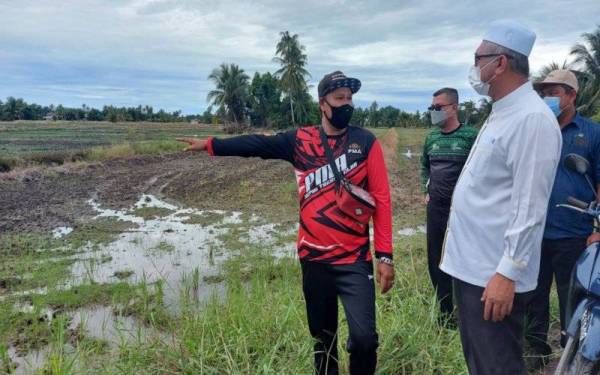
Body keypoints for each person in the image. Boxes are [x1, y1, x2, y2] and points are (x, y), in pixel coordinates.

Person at [176, 71, 394, 375]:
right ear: (323, 104)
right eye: (339, 99)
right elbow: (256, 145)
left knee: (365, 339)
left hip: (354, 260)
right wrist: (212, 144)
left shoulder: (365, 142)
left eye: (349, 99)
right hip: (313, 259)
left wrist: (385, 255)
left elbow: (381, 199)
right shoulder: (300, 140)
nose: (346, 104)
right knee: (323, 341)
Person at [439, 20, 562, 374]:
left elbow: (531, 206)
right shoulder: (503, 113)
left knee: (497, 366)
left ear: (501, 63)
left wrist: (507, 274)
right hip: (472, 268)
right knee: (481, 364)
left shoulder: (531, 120)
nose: (475, 67)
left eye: (479, 58)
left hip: (492, 275)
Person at [524, 69, 600, 368]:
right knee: (534, 292)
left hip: (575, 230)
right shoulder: (538, 129)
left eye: (554, 92)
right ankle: (535, 348)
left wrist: (598, 230)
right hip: (535, 229)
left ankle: (573, 351)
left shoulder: (592, 133)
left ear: (572, 96)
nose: (548, 98)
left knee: (573, 295)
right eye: (544, 93)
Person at [421, 87, 477, 325]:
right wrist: (426, 189)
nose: (434, 111)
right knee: (436, 260)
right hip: (436, 208)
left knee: (464, 259)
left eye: (439, 107)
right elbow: (425, 166)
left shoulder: (470, 136)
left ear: (454, 107)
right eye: (432, 107)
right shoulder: (431, 138)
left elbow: (478, 171)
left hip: (463, 212)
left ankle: (468, 310)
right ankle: (445, 313)